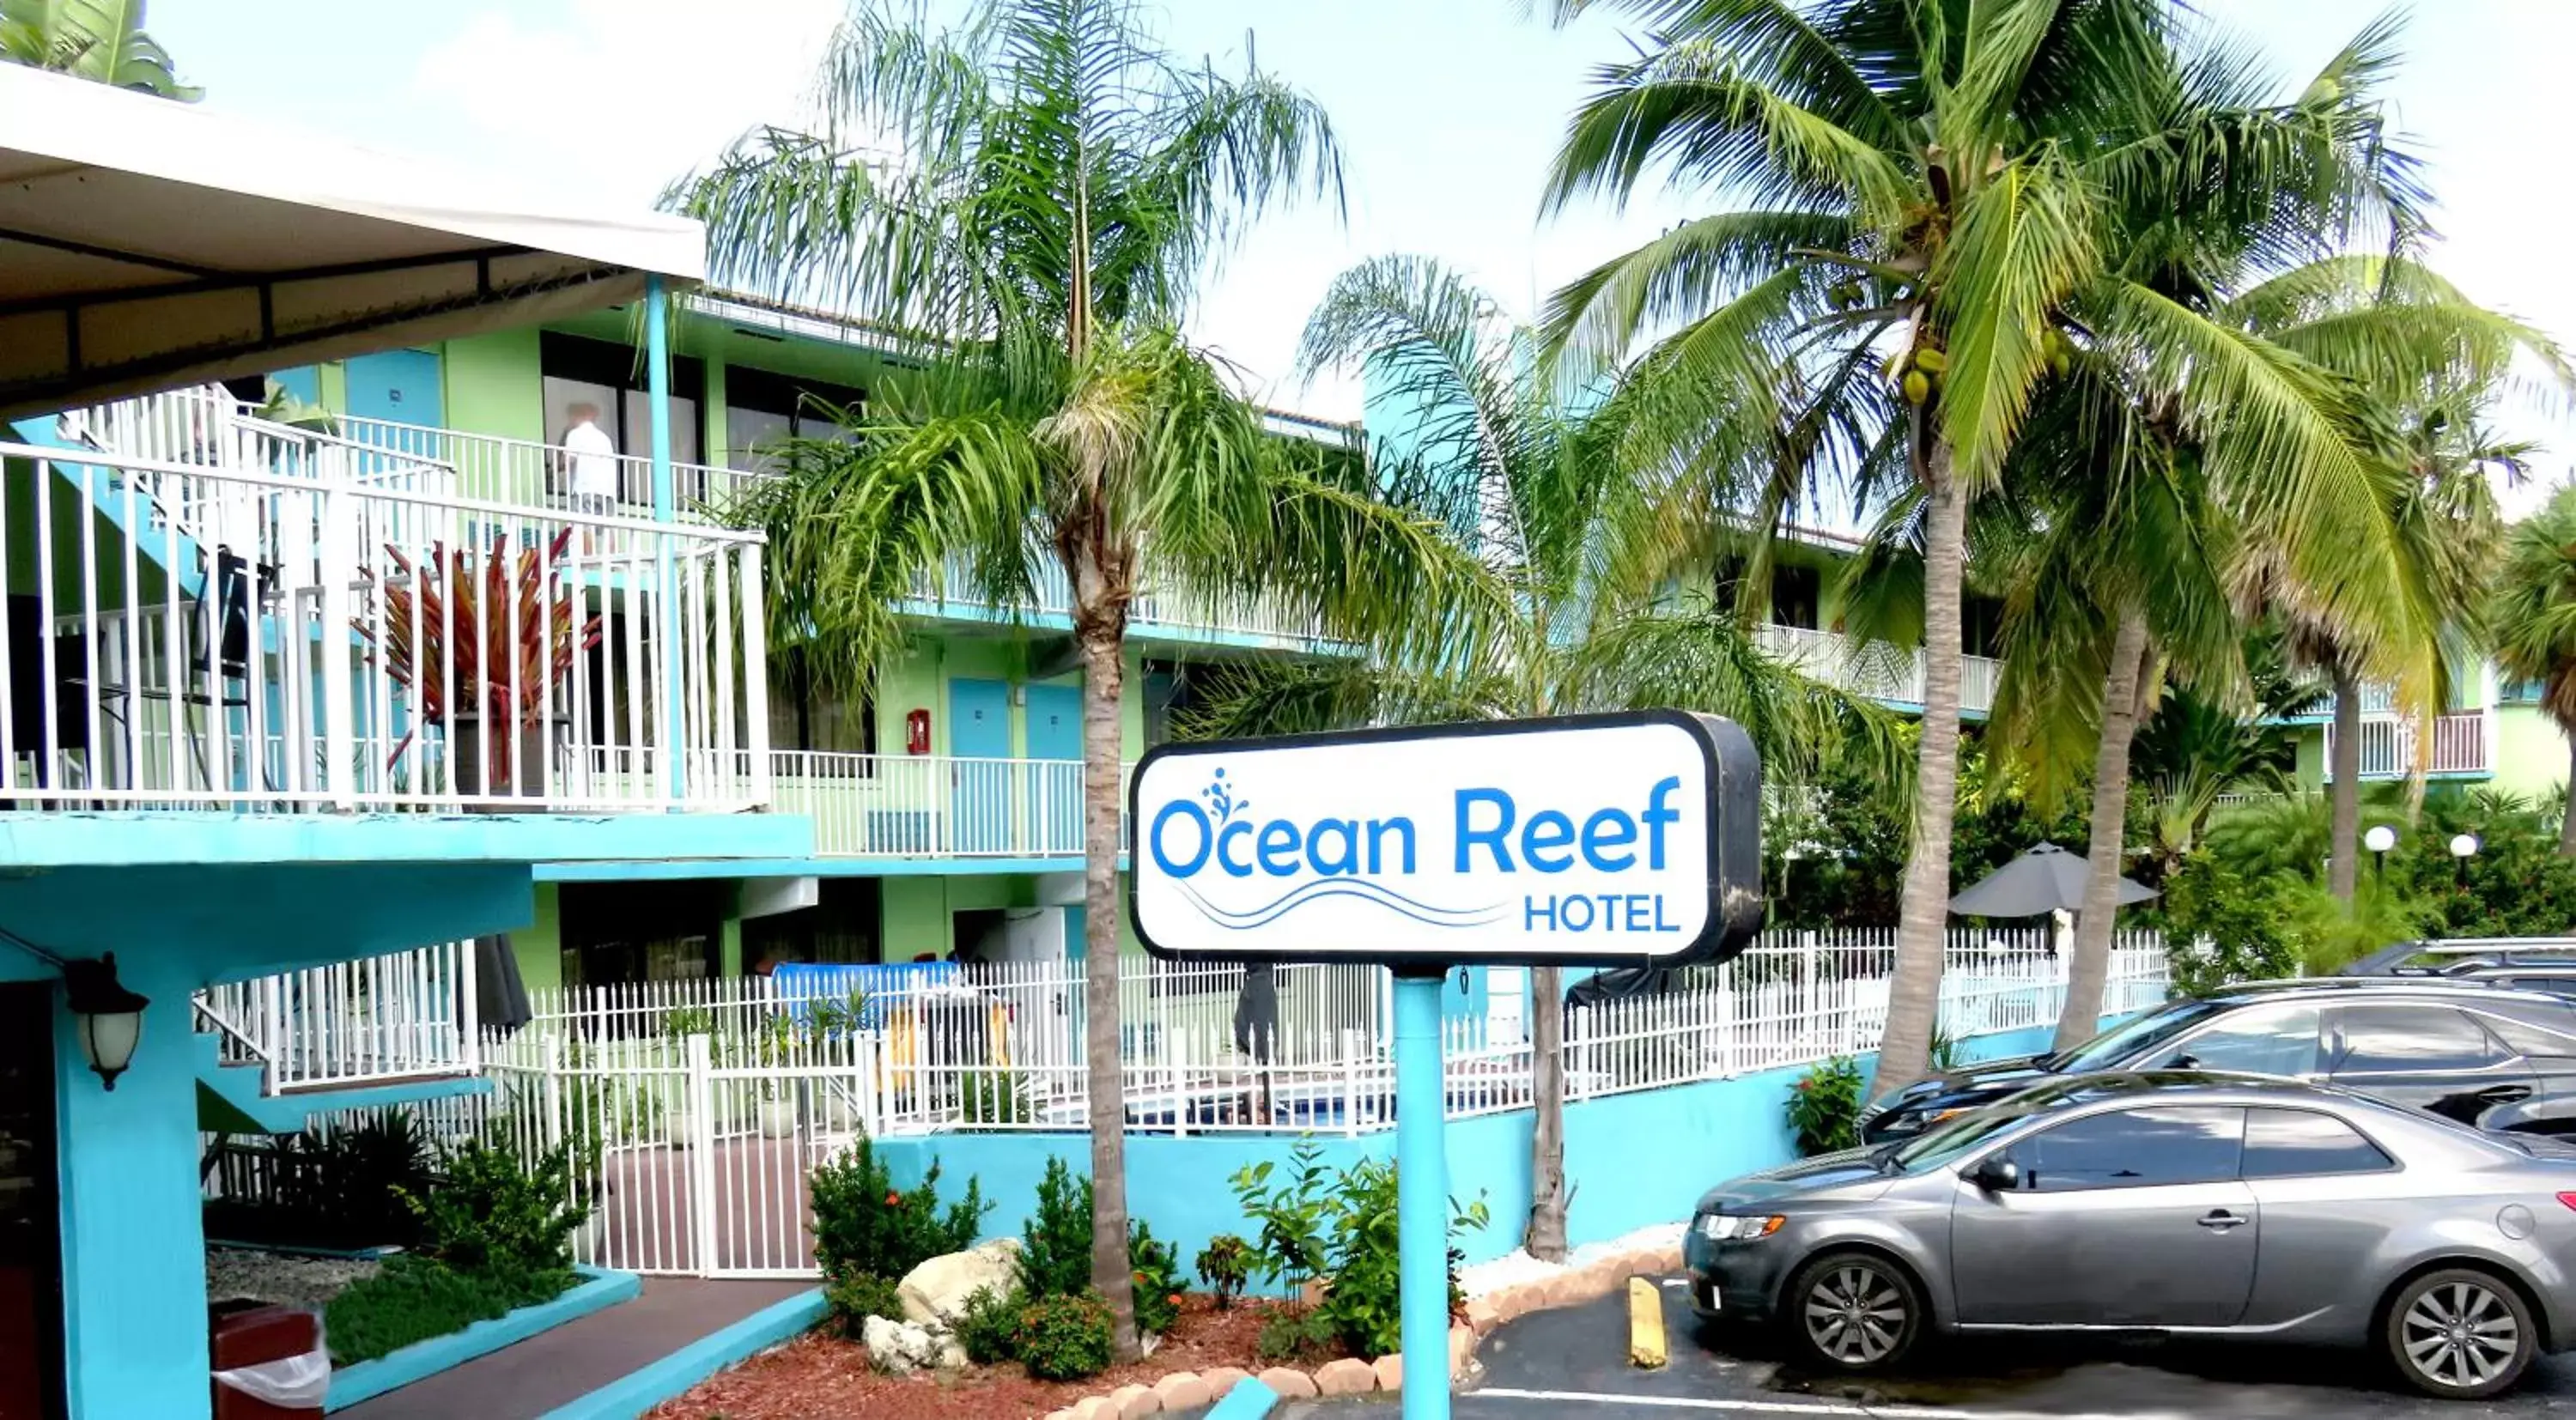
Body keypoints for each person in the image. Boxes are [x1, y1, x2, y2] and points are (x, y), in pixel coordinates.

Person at [562, 402, 618, 514]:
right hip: (607, 492)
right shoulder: (603, 437)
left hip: (585, 489)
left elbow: (568, 460)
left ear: (577, 416)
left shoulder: (575, 434)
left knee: (583, 529)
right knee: (602, 529)